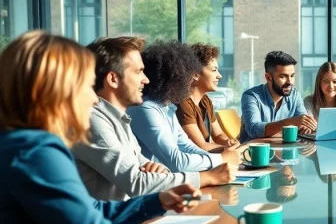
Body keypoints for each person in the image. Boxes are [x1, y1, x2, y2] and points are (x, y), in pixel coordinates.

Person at [0, 31, 201, 224]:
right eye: (86, 86)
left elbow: (89, 211)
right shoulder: (34, 150)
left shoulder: (21, 144)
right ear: (57, 91)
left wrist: (155, 202)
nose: (94, 100)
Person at [72, 37, 236, 201]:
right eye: (138, 72)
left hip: (131, 212)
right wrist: (208, 177)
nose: (146, 79)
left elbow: (143, 165)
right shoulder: (91, 121)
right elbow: (137, 182)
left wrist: (158, 170)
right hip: (113, 221)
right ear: (113, 79)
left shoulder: (118, 117)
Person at [128, 41, 245, 173]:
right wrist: (221, 159)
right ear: (173, 77)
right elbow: (176, 162)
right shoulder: (146, 109)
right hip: (157, 186)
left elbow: (187, 147)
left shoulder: (167, 107)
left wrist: (224, 157)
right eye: (188, 74)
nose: (190, 80)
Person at [240, 51, 317, 141]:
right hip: (253, 152)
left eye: (292, 76)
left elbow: (302, 125)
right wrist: (289, 122)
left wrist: (307, 127)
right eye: (283, 76)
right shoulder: (251, 96)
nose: (290, 82)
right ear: (268, 77)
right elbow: (254, 129)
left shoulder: (295, 96)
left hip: (285, 150)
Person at [177, 43, 239, 150]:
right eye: (214, 70)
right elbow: (201, 146)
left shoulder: (205, 100)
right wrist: (236, 151)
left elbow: (218, 135)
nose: (219, 75)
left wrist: (228, 142)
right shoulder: (183, 103)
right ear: (195, 74)